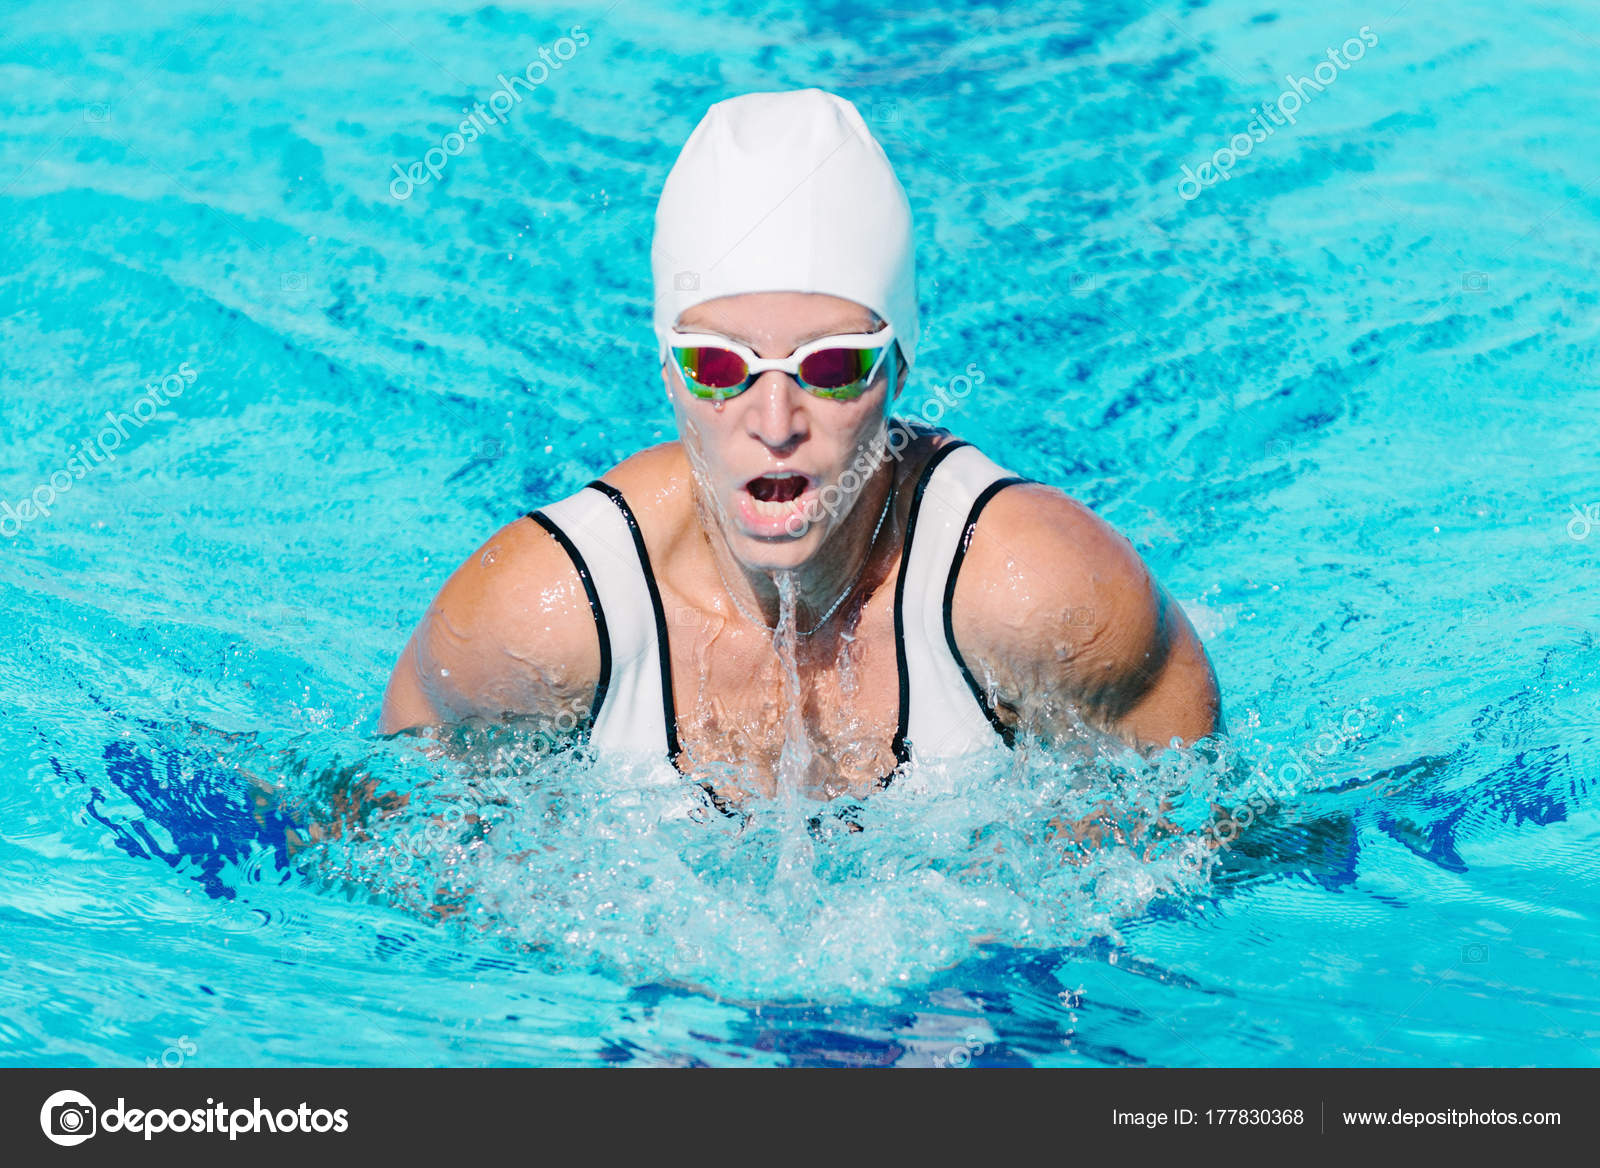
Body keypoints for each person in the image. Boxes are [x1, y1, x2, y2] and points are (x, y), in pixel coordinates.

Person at [380, 89, 1222, 804]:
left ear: (898, 365)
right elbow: (394, 843)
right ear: (668, 375)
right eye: (718, 365)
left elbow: (1199, 846)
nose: (775, 418)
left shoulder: (1045, 598)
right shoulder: (536, 618)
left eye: (830, 366)